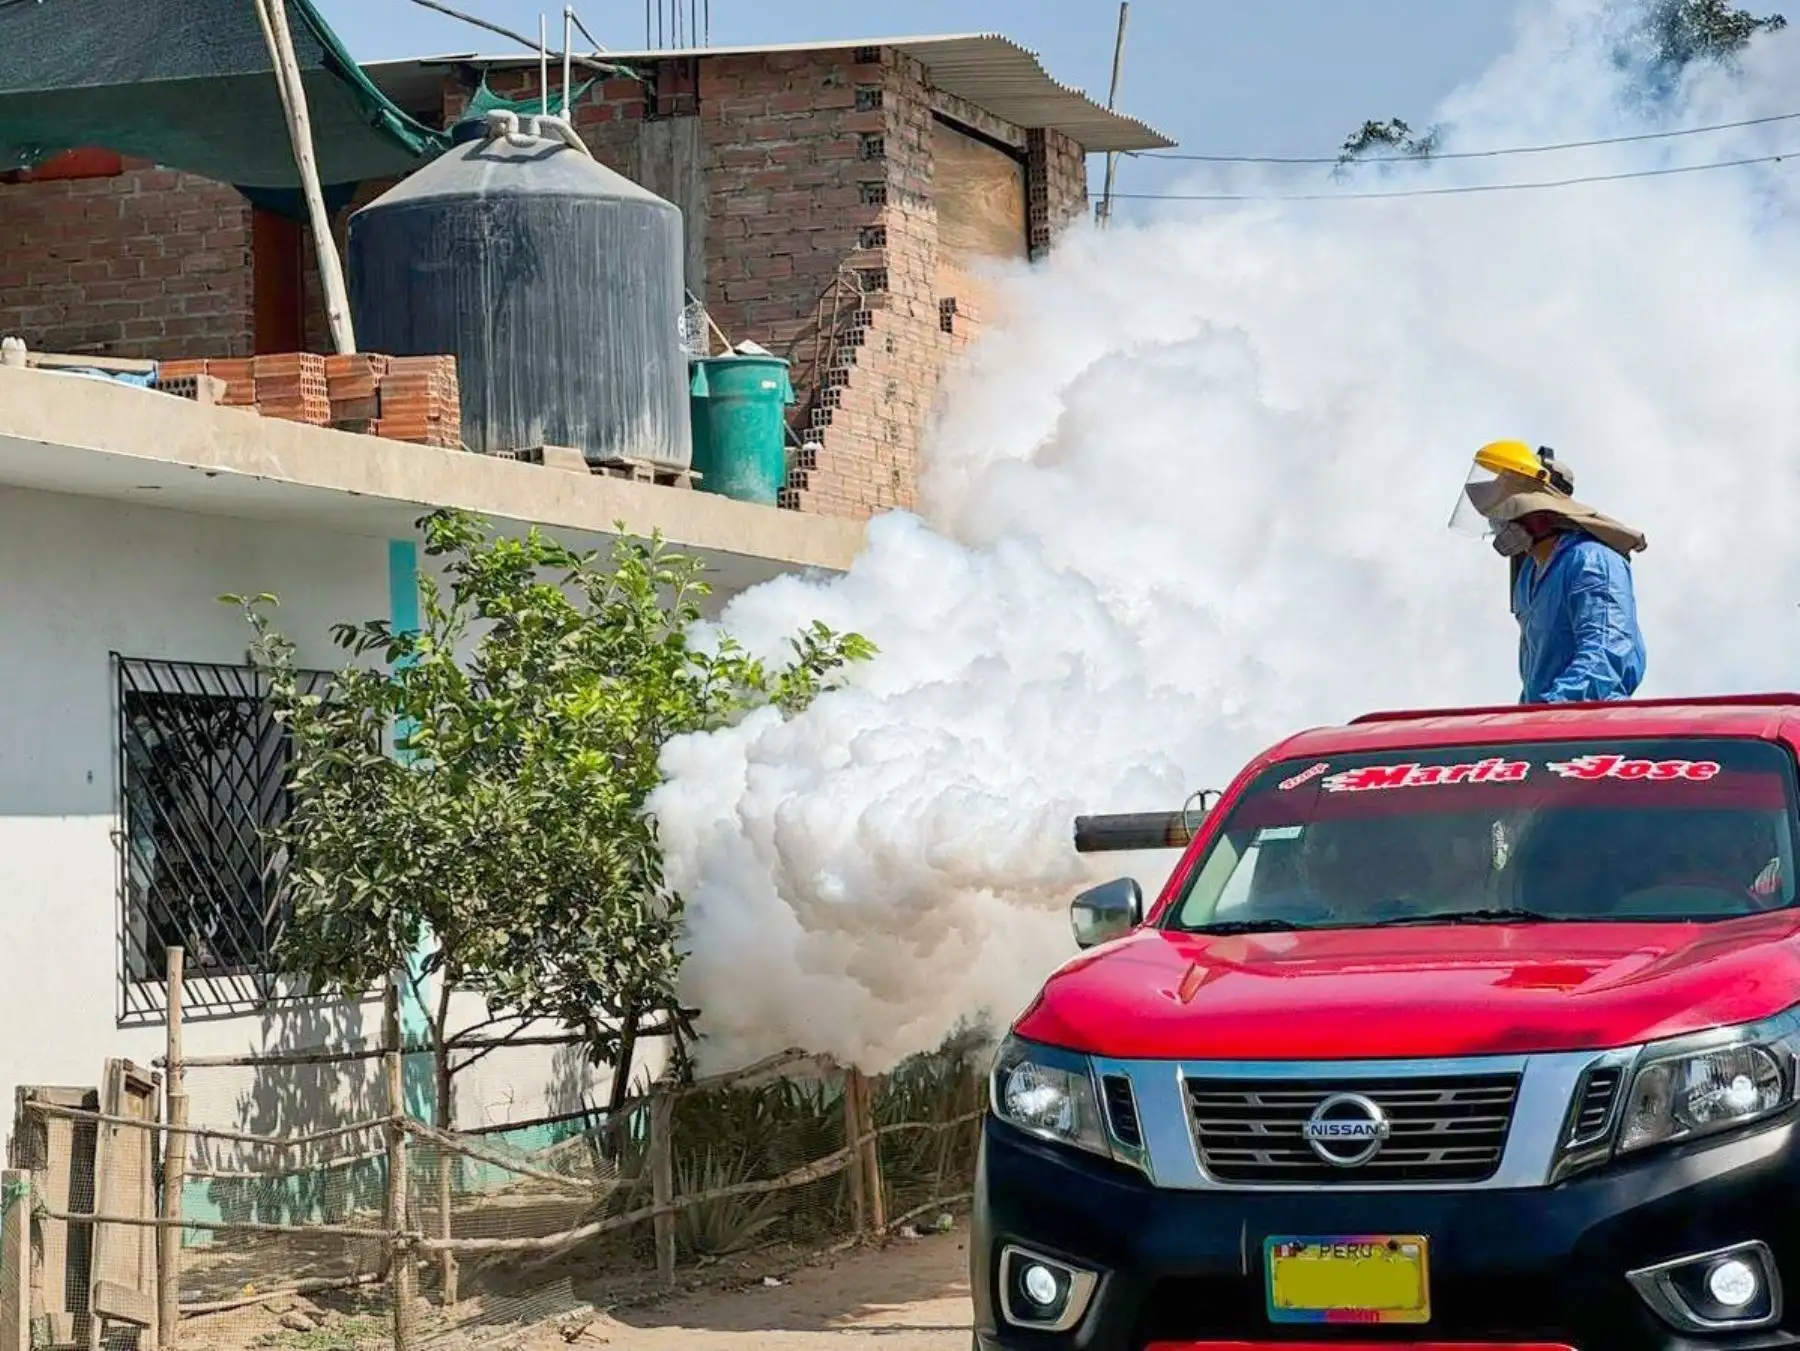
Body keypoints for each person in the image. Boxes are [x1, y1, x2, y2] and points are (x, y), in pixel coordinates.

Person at [1452, 440, 1648, 704]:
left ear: (1540, 512)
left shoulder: (1591, 561)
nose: (1497, 523)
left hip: (1589, 730)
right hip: (1545, 729)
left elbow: (1606, 652)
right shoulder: (1527, 578)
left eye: (1506, 511)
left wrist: (1552, 709)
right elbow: (1536, 674)